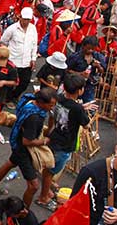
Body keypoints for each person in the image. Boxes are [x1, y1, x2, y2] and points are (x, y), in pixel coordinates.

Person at [0, 88, 57, 208]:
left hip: (17, 140)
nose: (52, 107)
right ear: (41, 103)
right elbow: (27, 141)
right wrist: (44, 141)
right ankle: (23, 212)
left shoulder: (29, 101)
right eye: (50, 105)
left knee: (10, 163)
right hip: (23, 149)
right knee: (33, 185)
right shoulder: (34, 118)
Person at [38, 73, 90, 210]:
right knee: (51, 170)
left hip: (55, 136)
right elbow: (86, 124)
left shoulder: (58, 98)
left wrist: (49, 130)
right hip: (65, 143)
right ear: (79, 91)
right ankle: (43, 197)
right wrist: (84, 110)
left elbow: (52, 116)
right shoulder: (77, 108)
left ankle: (47, 189)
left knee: (49, 168)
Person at [0, 7, 38, 103]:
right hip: (13, 61)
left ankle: (14, 97)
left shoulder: (33, 28)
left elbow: (34, 45)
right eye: (24, 19)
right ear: (20, 17)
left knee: (24, 83)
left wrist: (33, 58)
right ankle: (7, 98)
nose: (26, 21)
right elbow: (3, 41)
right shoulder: (12, 29)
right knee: (11, 82)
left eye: (28, 20)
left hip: (26, 62)